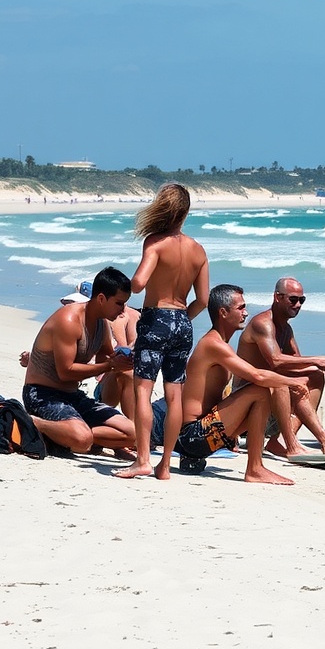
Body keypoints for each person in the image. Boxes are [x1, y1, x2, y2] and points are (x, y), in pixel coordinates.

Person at [114, 182, 209, 480]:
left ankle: (143, 459)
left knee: (142, 390)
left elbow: (139, 283)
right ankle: (164, 465)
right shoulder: (198, 250)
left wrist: (123, 286)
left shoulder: (154, 242)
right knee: (174, 395)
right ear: (186, 211)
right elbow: (204, 300)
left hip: (156, 319)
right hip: (182, 321)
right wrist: (182, 319)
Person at [175, 284, 302, 484]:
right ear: (223, 312)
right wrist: (293, 382)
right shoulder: (213, 344)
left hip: (204, 435)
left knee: (261, 390)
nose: (246, 313)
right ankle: (255, 469)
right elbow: (257, 376)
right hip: (193, 436)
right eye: (241, 308)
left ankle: (256, 465)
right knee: (262, 388)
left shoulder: (222, 344)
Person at [234, 277, 325, 456]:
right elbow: (276, 361)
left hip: (271, 398)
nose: (298, 305)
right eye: (293, 299)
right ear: (277, 297)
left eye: (301, 300)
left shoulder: (286, 329)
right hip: (248, 402)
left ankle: (281, 441)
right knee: (286, 383)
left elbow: (298, 362)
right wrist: (318, 360)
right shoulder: (262, 323)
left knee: (315, 376)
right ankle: (307, 442)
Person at [22, 267, 136, 455]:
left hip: (73, 396)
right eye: (119, 303)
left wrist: (129, 358)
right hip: (42, 395)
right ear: (101, 298)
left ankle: (72, 435)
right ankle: (33, 422)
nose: (123, 311)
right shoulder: (69, 320)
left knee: (133, 433)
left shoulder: (101, 324)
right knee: (82, 439)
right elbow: (65, 372)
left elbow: (108, 356)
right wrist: (110, 366)